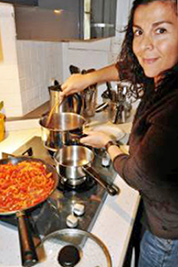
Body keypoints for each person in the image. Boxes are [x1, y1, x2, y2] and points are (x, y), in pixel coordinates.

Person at [61, 0, 178, 266]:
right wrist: (89, 78)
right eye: (138, 31)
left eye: (160, 30)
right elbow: (131, 67)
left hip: (167, 237)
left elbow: (139, 174)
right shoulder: (163, 74)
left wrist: (108, 143)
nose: (144, 44)